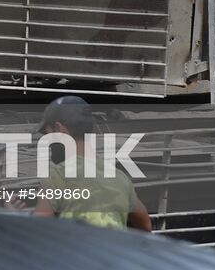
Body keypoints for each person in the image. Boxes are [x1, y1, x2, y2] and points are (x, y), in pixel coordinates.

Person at [33, 96, 153, 231]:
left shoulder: (56, 177)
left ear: (58, 128)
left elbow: (37, 230)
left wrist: (12, 215)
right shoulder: (119, 177)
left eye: (46, 133)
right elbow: (146, 226)